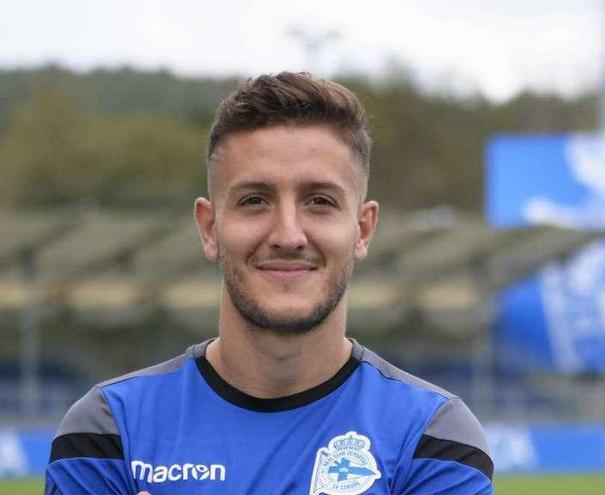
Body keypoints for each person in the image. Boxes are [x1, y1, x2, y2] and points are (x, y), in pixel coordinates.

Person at [44, 72, 493, 494]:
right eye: (255, 200)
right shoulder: (108, 431)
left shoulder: (433, 437)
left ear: (362, 229)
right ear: (209, 227)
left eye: (319, 201)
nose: (288, 235)